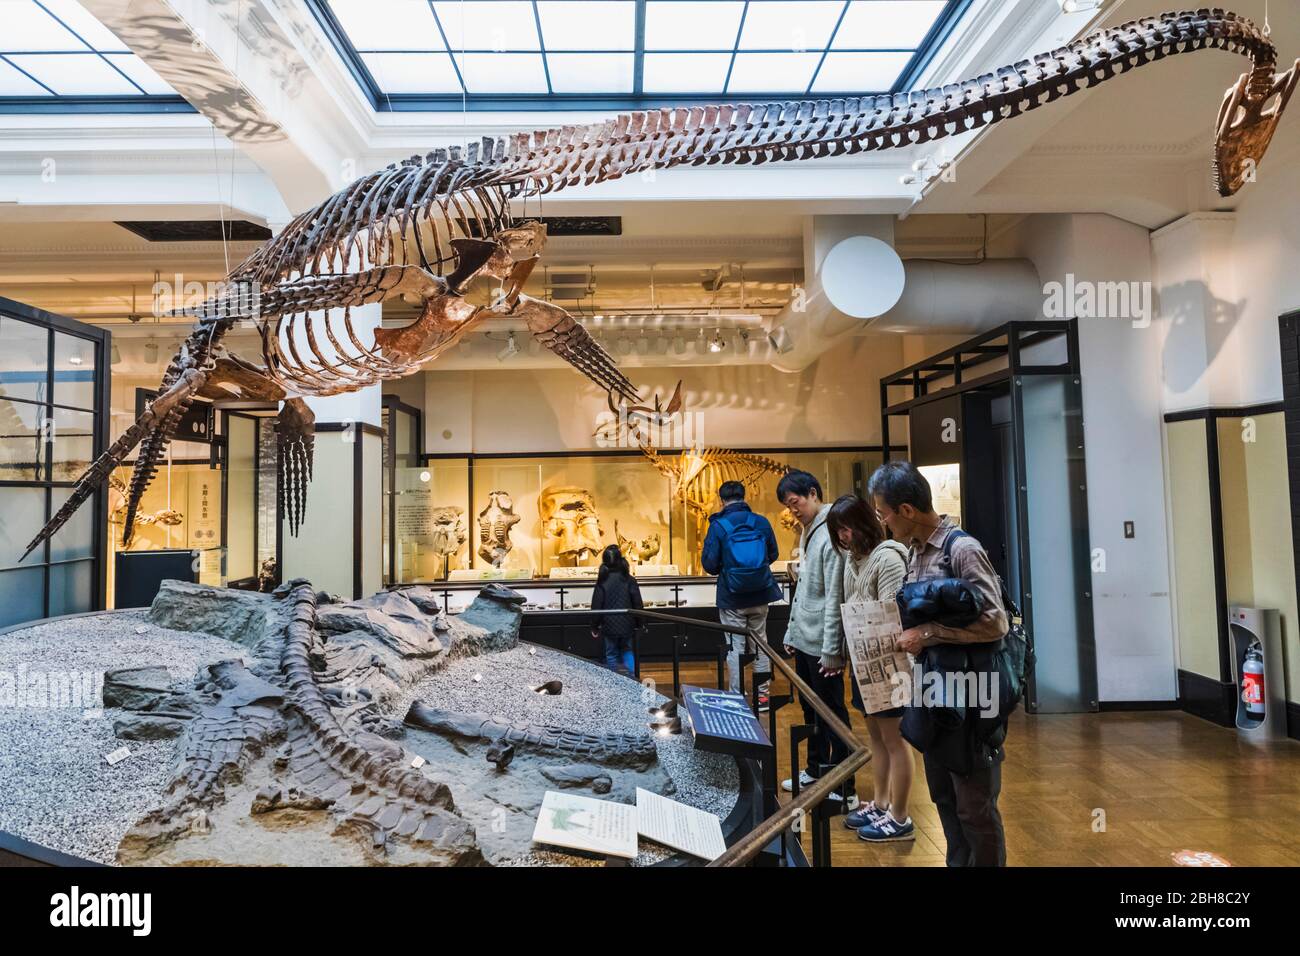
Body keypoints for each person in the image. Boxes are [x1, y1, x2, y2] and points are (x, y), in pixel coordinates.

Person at [867, 460, 1009, 866]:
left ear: (907, 511)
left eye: (884, 514)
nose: (884, 523)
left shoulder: (962, 550)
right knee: (944, 798)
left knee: (974, 806)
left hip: (973, 697)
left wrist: (928, 634)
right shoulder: (914, 551)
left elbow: (995, 623)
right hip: (932, 693)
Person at [825, 494, 915, 842]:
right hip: (864, 661)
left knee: (895, 739)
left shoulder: (889, 557)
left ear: (863, 522)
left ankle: (901, 815)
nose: (844, 537)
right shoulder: (853, 558)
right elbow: (851, 605)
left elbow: (891, 615)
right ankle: (880, 804)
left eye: (846, 528)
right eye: (838, 532)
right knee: (876, 737)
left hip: (889, 664)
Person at [777, 470, 851, 801]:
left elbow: (834, 595)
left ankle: (845, 782)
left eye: (795, 503)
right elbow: (807, 590)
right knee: (811, 709)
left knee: (832, 711)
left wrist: (833, 650)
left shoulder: (830, 533)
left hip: (823, 644)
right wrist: (793, 632)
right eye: (789, 507)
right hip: (807, 641)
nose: (793, 511)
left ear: (812, 493)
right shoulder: (809, 532)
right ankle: (817, 768)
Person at [700, 480, 781, 709]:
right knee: (760, 644)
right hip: (761, 593)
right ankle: (762, 696)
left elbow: (709, 564)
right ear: (745, 497)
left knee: (735, 646)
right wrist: (753, 571)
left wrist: (732, 571)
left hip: (732, 597)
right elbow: (773, 554)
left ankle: (737, 697)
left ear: (722, 500)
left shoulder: (719, 526)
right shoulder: (761, 522)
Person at [590, 544, 643, 678]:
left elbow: (596, 606)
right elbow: (637, 603)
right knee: (628, 651)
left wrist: (594, 627)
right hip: (627, 624)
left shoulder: (602, 581)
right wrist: (640, 623)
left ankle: (615, 682)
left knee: (611, 654)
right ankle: (632, 679)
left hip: (608, 626)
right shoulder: (630, 580)